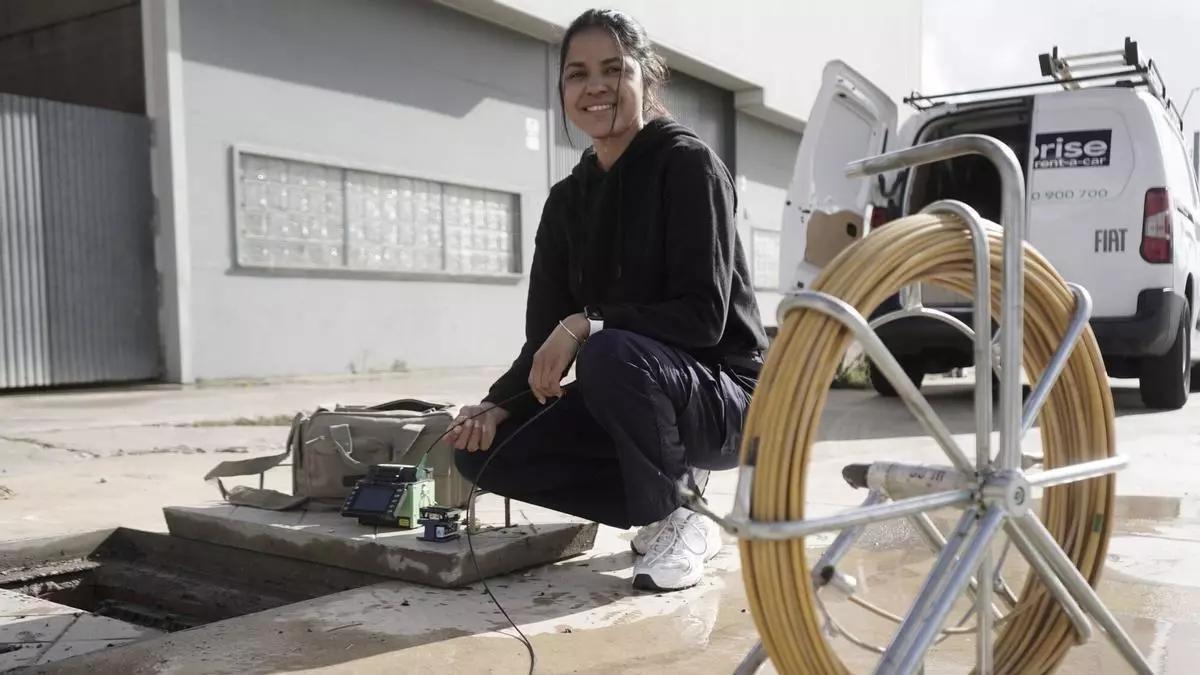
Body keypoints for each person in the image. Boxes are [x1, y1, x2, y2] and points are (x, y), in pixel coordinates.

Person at [450, 8, 768, 592]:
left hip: (728, 399)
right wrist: (496, 406)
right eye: (577, 74)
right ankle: (662, 504)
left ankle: (682, 513)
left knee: (608, 352)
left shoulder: (688, 165)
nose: (594, 86)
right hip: (635, 384)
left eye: (613, 69)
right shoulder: (566, 202)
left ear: (647, 78)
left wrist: (589, 322)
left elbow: (703, 318)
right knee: (482, 453)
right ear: (563, 91)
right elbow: (543, 338)